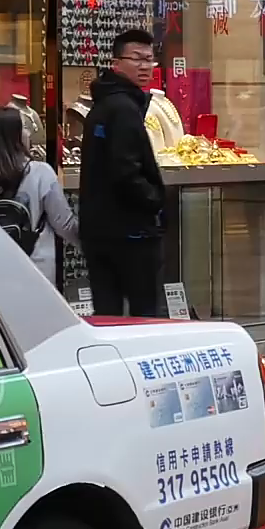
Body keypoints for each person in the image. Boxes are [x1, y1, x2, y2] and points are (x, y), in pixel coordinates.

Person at [79, 29, 167, 317]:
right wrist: (154, 200)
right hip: (131, 234)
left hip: (100, 234)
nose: (145, 66)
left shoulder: (104, 104)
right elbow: (126, 171)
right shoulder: (122, 108)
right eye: (137, 59)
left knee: (108, 314)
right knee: (143, 316)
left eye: (149, 59)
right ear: (116, 63)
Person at [0, 107, 79, 286]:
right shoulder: (40, 172)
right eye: (23, 128)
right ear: (13, 136)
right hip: (36, 268)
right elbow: (64, 225)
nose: (28, 132)